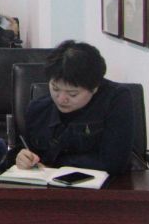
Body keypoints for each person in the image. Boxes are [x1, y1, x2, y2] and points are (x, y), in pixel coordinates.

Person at [17, 41, 134, 176]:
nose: (61, 99)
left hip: (106, 185)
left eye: (72, 94)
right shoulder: (37, 109)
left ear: (95, 88)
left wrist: (57, 164)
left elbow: (114, 162)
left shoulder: (116, 99)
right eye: (55, 89)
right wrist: (23, 158)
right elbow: (28, 152)